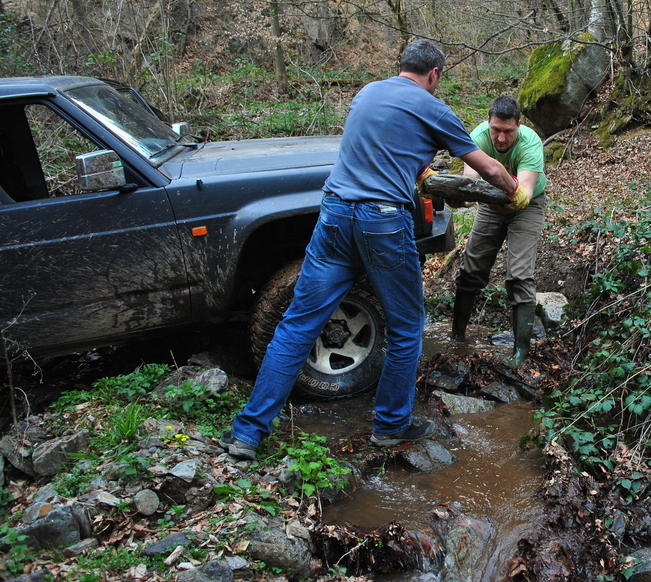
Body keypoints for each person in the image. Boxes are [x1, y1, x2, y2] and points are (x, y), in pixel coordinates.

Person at [220, 40, 528, 460]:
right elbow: (489, 167)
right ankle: (390, 425)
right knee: (407, 326)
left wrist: (418, 169)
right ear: (434, 73)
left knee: (295, 326)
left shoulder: (367, 92)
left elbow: (381, 144)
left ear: (401, 66)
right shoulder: (431, 106)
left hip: (333, 214)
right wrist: (515, 193)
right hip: (381, 220)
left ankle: (247, 433)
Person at [450, 95, 546, 368]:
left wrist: (501, 184)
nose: (501, 138)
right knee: (471, 268)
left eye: (508, 131)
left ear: (519, 125)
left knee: (519, 275)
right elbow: (470, 181)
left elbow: (524, 193)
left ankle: (519, 354)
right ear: (488, 122)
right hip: (491, 202)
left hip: (527, 205)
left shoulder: (530, 143)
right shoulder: (478, 137)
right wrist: (461, 198)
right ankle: (456, 336)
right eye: (496, 130)